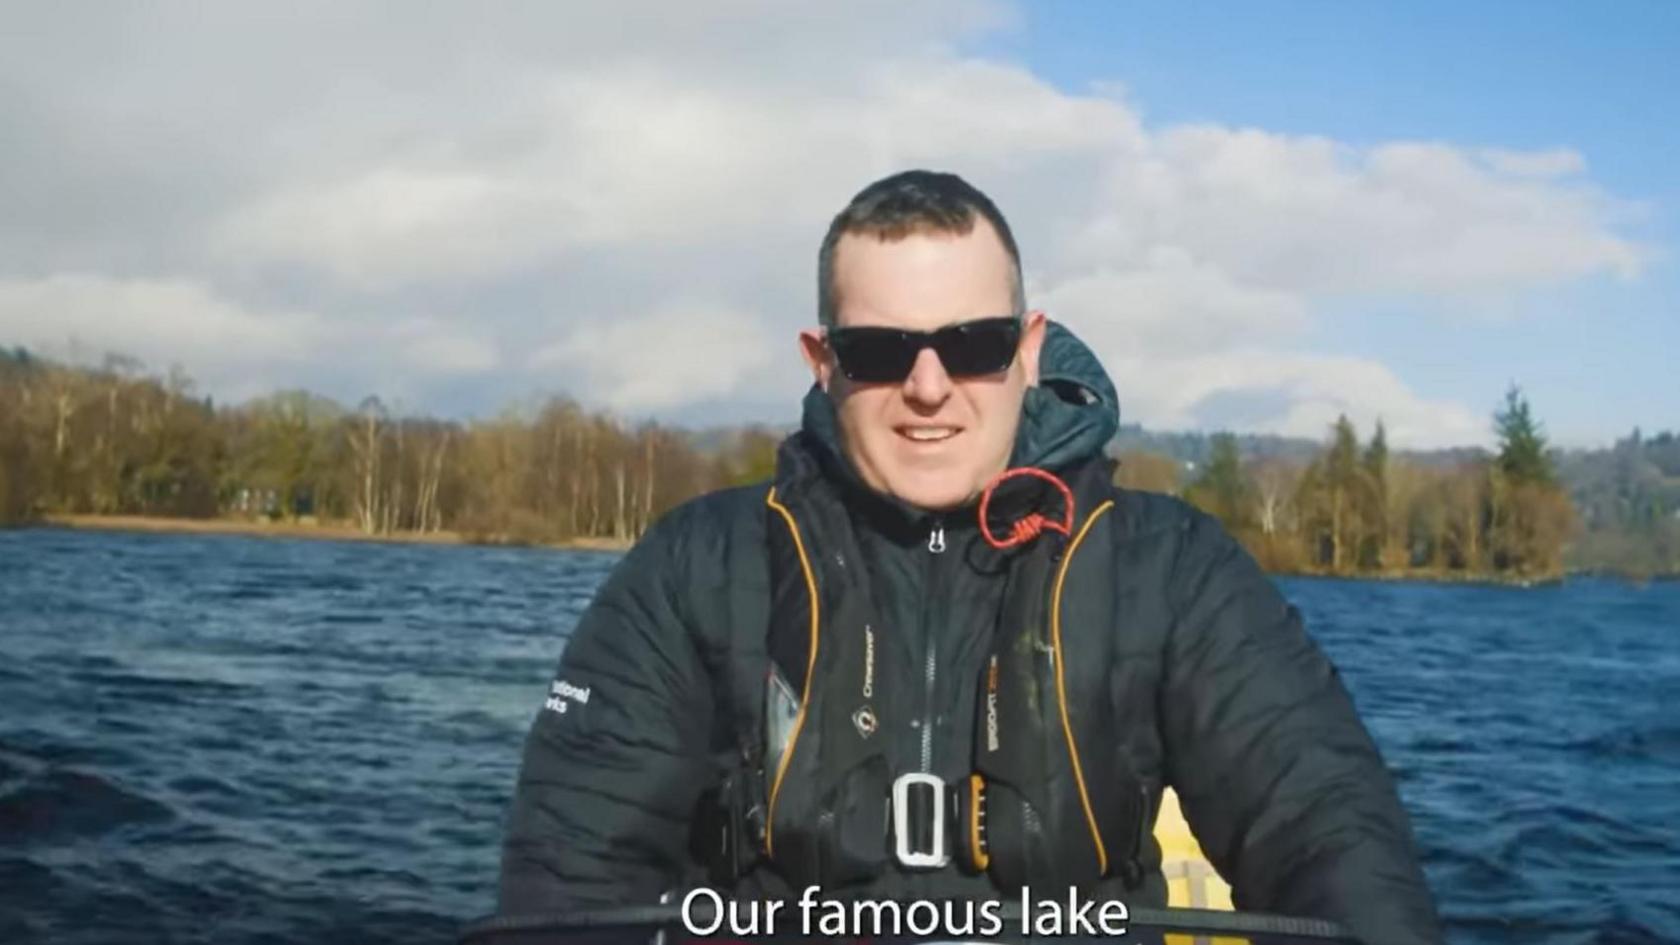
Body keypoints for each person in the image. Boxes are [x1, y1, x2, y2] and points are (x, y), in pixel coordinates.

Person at [497, 170, 1442, 945]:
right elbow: (573, 879)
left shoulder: (1173, 567)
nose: (928, 387)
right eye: (878, 350)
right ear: (823, 362)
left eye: (974, 344)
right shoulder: (695, 567)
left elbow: (1329, 834)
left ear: (1029, 350)